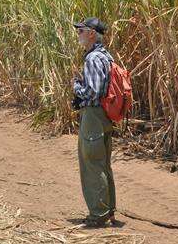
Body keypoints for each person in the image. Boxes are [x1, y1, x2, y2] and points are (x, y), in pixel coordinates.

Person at [72, 17, 116, 228]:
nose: (78, 34)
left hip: (94, 115)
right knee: (102, 162)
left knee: (92, 163)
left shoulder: (93, 59)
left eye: (80, 31)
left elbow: (93, 91)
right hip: (105, 114)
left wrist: (76, 87)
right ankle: (107, 209)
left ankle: (98, 214)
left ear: (91, 34)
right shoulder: (106, 56)